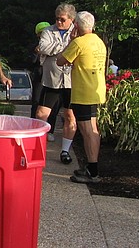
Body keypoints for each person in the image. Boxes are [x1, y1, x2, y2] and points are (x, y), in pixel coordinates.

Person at [57, 11, 107, 183]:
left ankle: (93, 171)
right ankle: (91, 167)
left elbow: (60, 60)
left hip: (83, 92)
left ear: (76, 26)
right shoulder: (99, 42)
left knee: (87, 131)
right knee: (92, 128)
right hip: (96, 89)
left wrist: (71, 40)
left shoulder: (78, 43)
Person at [35, 3, 78, 165]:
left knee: (70, 116)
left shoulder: (78, 33)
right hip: (52, 80)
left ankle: (65, 150)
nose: (59, 22)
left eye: (63, 19)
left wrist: (58, 49)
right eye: (57, 19)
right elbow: (43, 48)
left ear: (71, 20)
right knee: (41, 114)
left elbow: (78, 50)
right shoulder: (48, 31)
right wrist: (67, 46)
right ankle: (38, 148)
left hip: (71, 82)